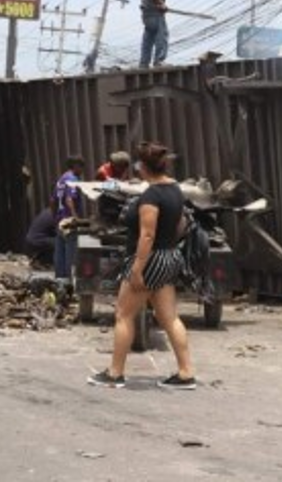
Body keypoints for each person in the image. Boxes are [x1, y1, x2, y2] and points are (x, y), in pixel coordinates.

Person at [89, 141, 196, 390]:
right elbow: (180, 225)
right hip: (170, 257)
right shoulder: (175, 189)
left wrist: (138, 268)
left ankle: (115, 374)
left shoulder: (151, 196)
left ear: (143, 167)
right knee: (169, 318)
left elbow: (147, 235)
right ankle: (186, 373)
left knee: (124, 315)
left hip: (150, 260)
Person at [52, 155, 86, 281]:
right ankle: (70, 284)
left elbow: (53, 200)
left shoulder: (61, 179)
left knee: (59, 253)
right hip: (69, 222)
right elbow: (69, 199)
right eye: (81, 167)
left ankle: (59, 282)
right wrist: (75, 217)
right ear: (76, 166)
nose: (82, 171)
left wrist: (55, 218)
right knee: (71, 255)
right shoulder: (73, 179)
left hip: (60, 220)